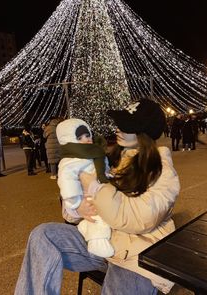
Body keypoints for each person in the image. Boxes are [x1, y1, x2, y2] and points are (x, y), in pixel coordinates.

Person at [15, 99, 180, 295]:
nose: (117, 128)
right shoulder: (110, 158)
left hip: (136, 253)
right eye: (119, 122)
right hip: (100, 239)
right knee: (43, 235)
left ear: (143, 133)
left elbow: (141, 219)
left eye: (126, 126)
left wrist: (95, 187)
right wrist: (77, 208)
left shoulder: (161, 169)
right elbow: (72, 212)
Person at [56, 118, 114, 258]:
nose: (86, 140)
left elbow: (104, 171)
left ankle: (88, 230)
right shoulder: (69, 161)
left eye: (88, 135)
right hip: (86, 198)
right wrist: (76, 204)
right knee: (98, 219)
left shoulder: (97, 153)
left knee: (104, 216)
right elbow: (67, 181)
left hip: (101, 194)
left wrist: (108, 175)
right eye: (80, 137)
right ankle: (97, 243)